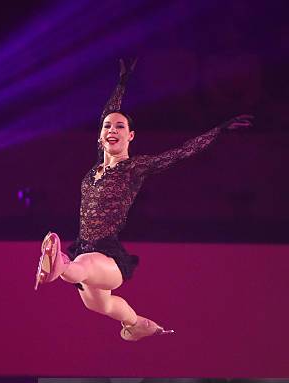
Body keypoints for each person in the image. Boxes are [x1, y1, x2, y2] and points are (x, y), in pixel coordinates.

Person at [34, 59, 253, 341]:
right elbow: (108, 111)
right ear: (100, 137)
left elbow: (182, 152)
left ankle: (57, 263)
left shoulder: (134, 167)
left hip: (108, 259)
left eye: (120, 126)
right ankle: (136, 324)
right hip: (85, 250)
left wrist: (219, 130)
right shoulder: (96, 166)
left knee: (81, 267)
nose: (112, 129)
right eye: (107, 127)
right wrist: (123, 82)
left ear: (131, 135)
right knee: (100, 305)